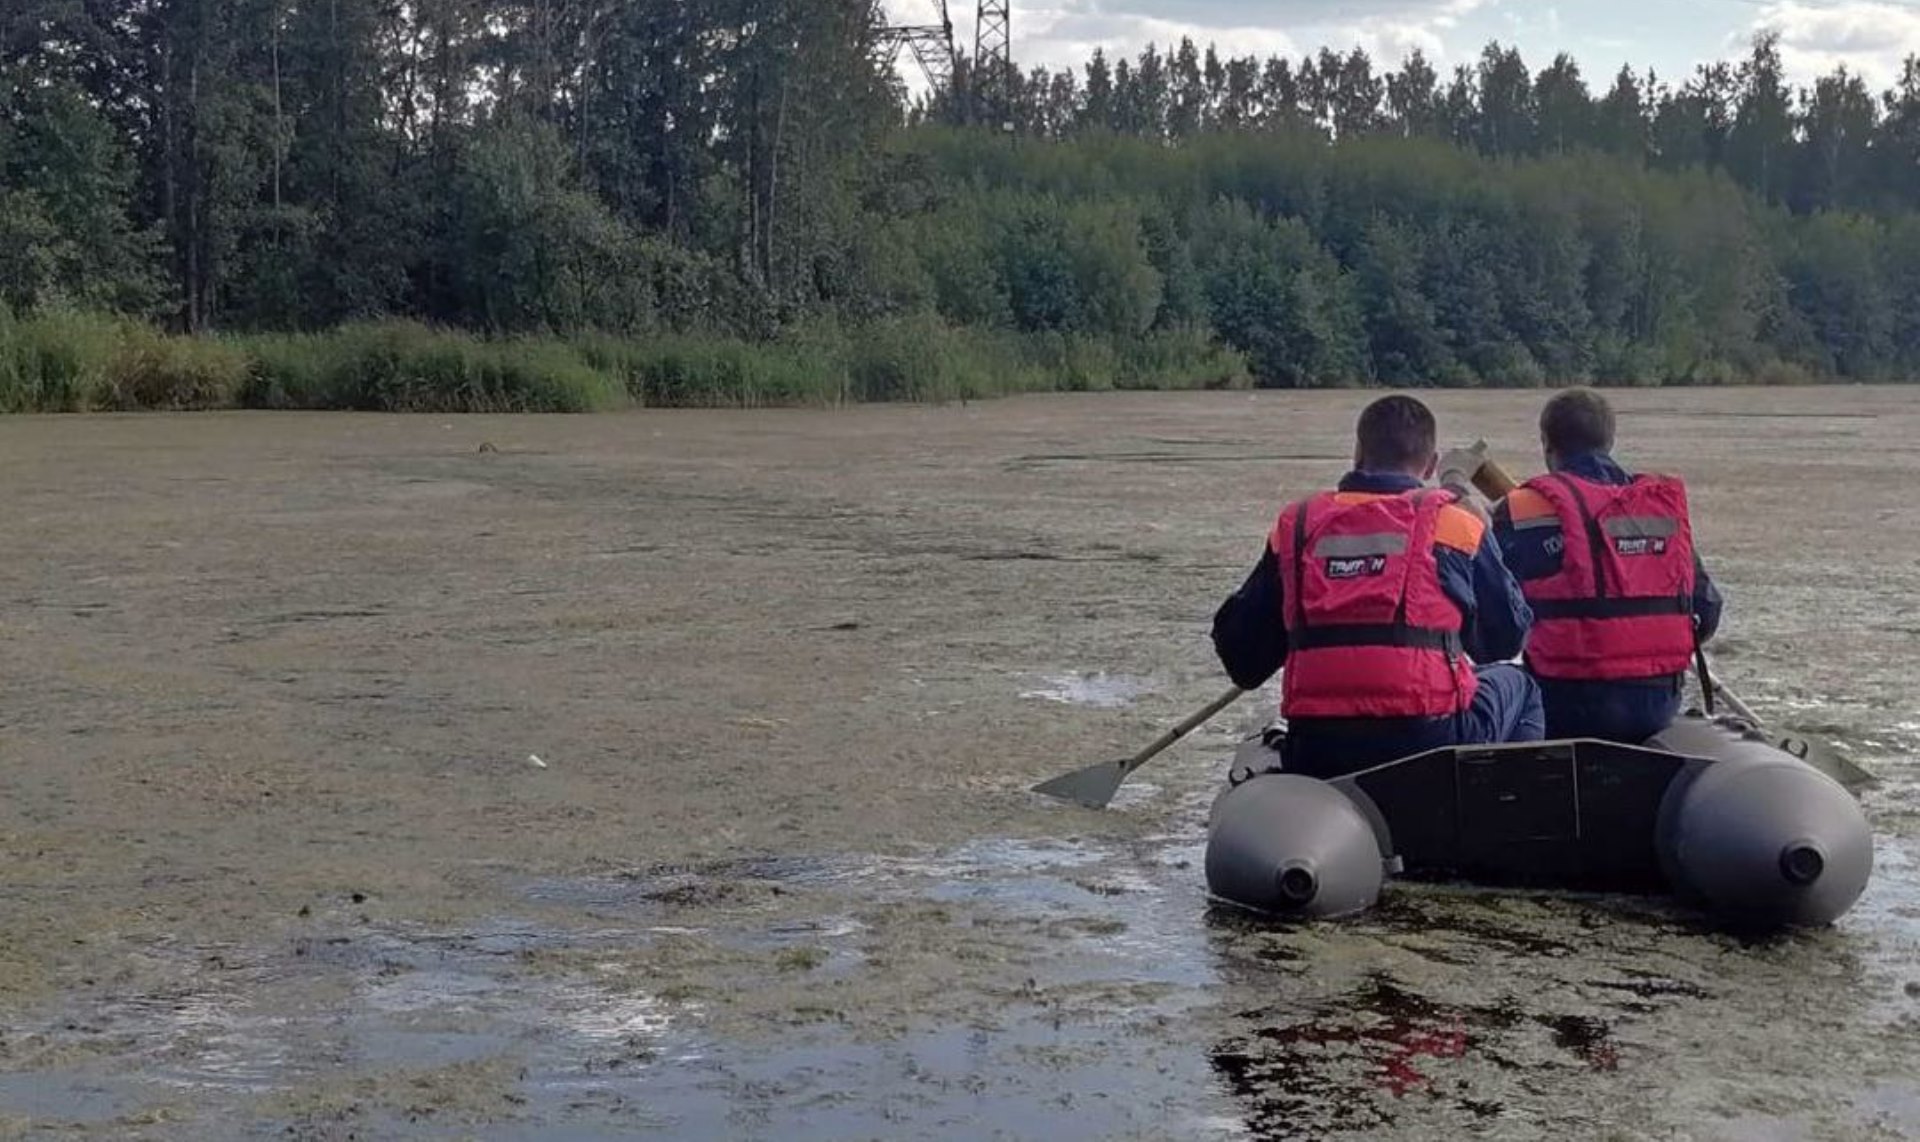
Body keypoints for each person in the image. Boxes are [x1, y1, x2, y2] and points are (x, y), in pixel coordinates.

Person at [1211, 395, 1544, 779]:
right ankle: (1511, 811)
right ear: (1431, 464)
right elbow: (1503, 643)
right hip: (1431, 739)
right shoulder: (1455, 524)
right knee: (1523, 684)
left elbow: (1244, 663)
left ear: (1357, 453)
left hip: (1318, 746)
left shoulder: (1297, 526)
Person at [1490, 388, 1724, 743]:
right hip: (1655, 703)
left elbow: (1499, 623)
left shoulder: (1521, 510)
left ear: (1546, 443)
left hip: (1563, 701)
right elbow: (1706, 610)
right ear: (1610, 440)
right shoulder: (1659, 509)